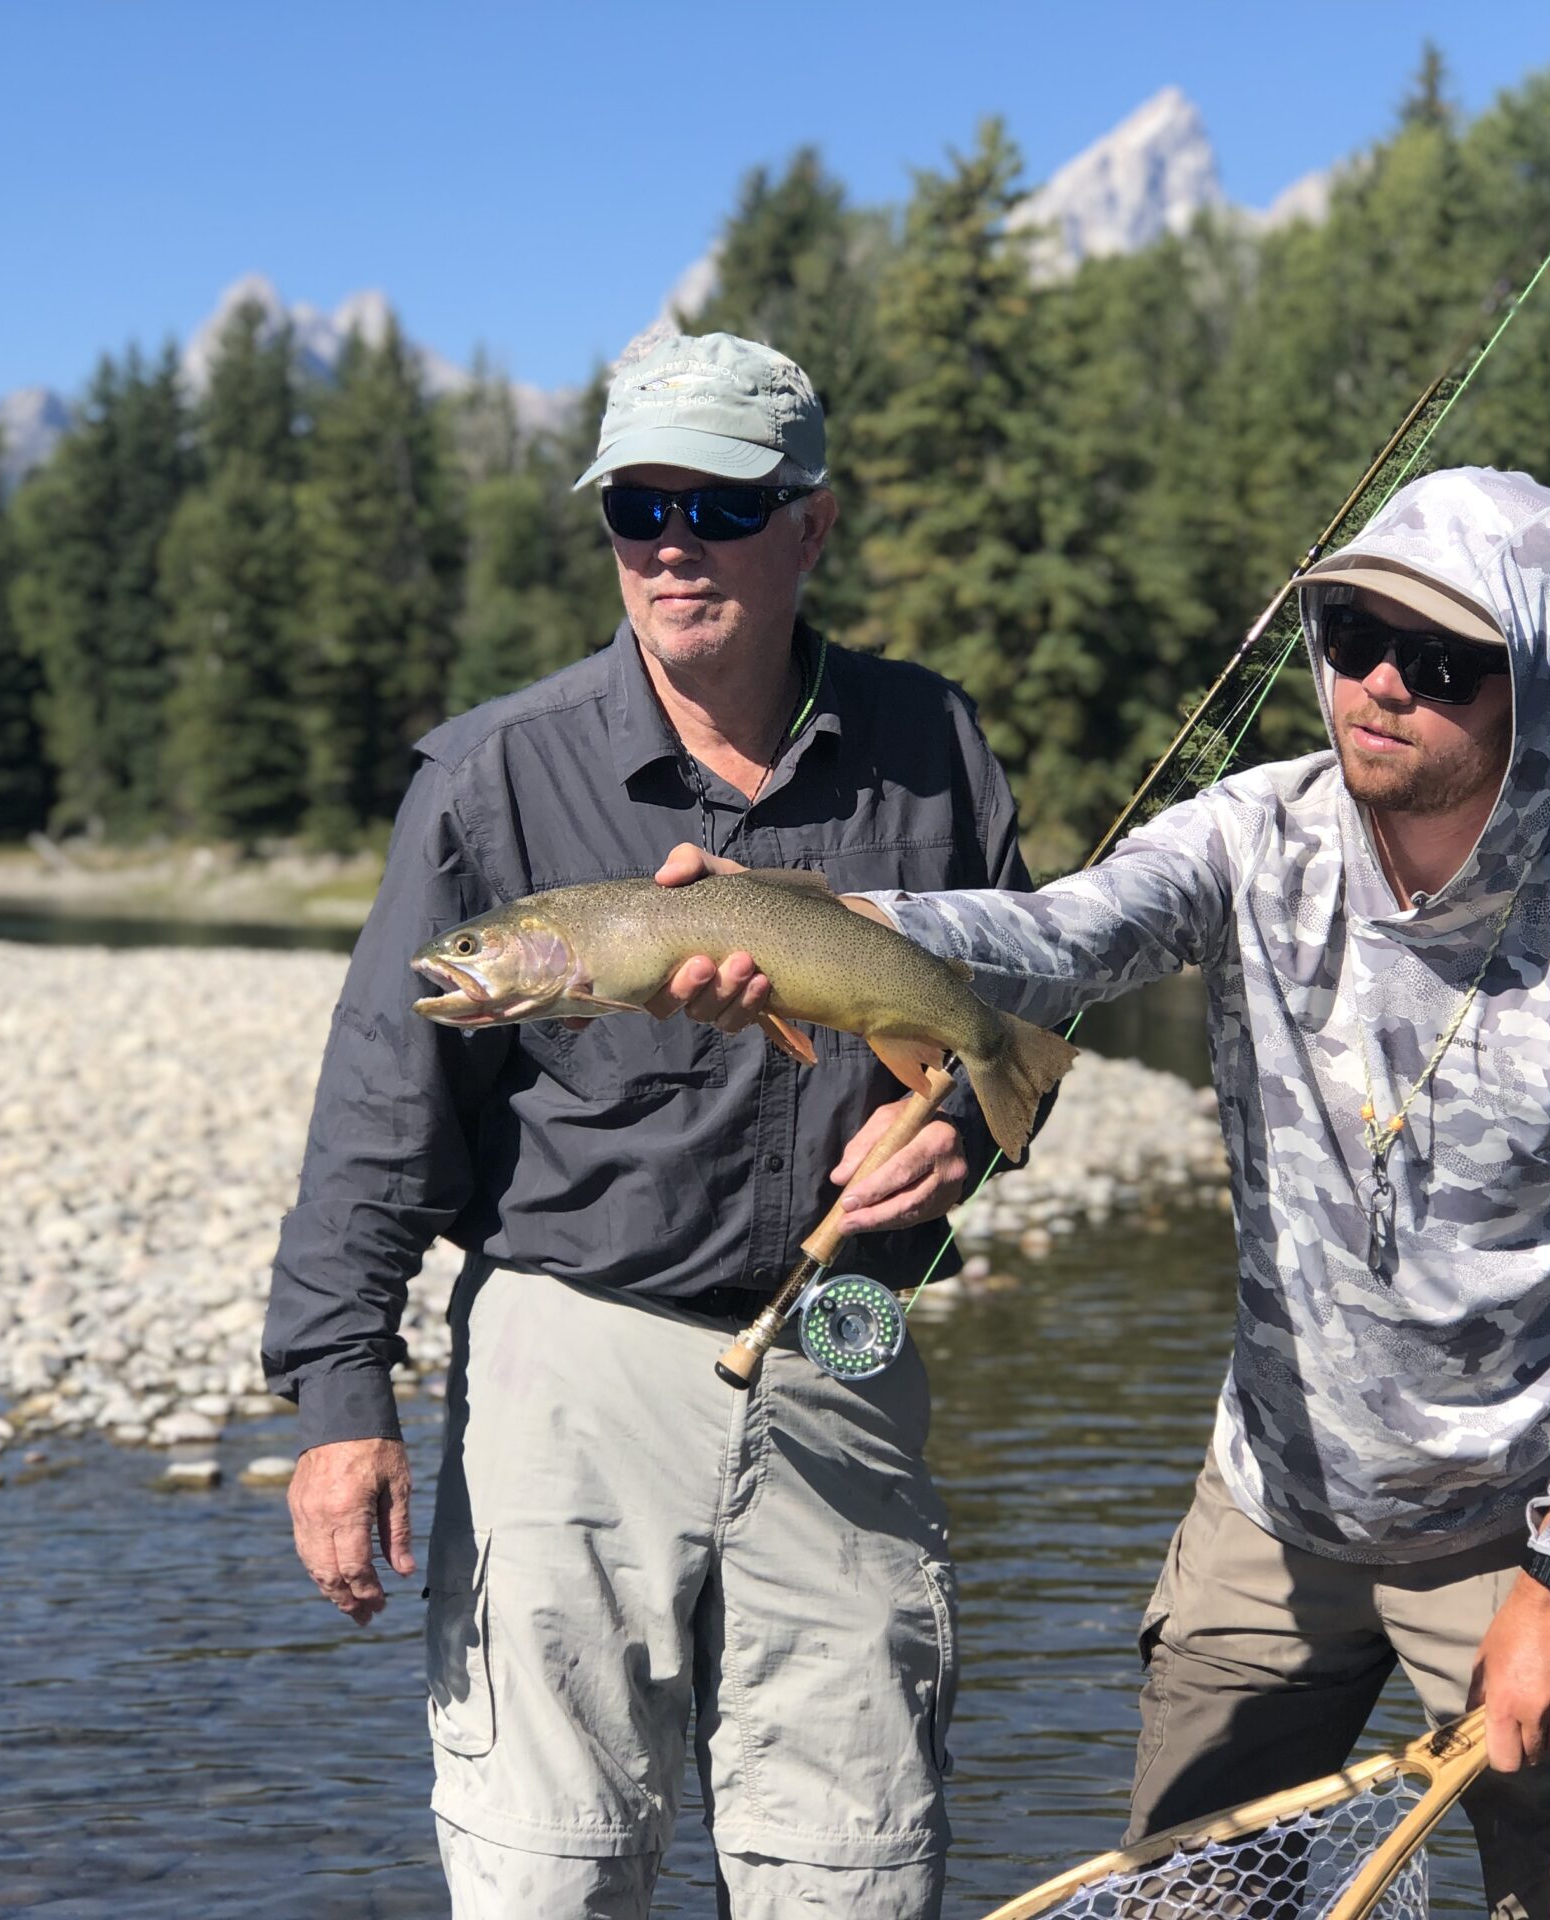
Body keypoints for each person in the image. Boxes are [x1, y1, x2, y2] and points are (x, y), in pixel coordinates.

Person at [658, 466, 1550, 1918]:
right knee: (1185, 1899)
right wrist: (843, 924)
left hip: (1528, 1532)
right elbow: (1062, 934)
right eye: (1352, 634)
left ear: (1533, 687)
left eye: (1441, 662)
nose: (1378, 684)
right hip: (1272, 1508)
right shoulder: (1251, 836)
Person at [261, 329, 1041, 1920]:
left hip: (842, 1349)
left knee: (856, 1879)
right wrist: (342, 1401)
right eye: (638, 508)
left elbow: (1028, 1003)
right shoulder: (493, 775)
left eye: (723, 507)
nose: (673, 545)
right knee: (551, 1879)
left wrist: (960, 1128)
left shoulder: (932, 746)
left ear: (812, 525)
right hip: (567, 1369)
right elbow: (380, 1111)